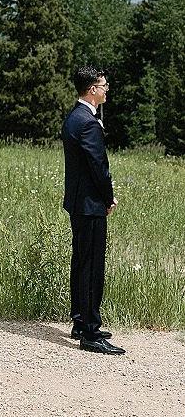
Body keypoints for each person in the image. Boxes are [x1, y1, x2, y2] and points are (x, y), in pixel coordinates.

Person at [61, 67, 125, 355]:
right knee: (92, 268)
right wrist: (109, 197)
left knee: (81, 262)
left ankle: (79, 321)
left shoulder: (74, 117)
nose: (107, 89)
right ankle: (91, 332)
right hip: (90, 205)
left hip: (78, 202)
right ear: (91, 90)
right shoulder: (88, 122)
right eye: (103, 85)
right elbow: (98, 166)